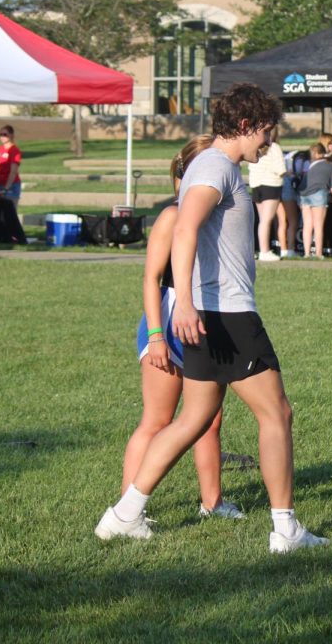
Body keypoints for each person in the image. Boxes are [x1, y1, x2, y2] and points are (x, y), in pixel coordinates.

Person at [95, 83, 328, 553]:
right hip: (227, 314)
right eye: (265, 132)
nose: (268, 142)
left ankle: (124, 514)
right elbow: (184, 225)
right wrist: (182, 301)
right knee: (277, 412)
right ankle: (285, 530)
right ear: (245, 126)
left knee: (195, 419)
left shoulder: (217, 166)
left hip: (213, 313)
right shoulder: (216, 167)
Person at [124, 135, 243, 521]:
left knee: (208, 419)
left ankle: (213, 503)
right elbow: (150, 279)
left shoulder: (214, 214)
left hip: (206, 320)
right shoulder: (173, 216)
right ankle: (128, 509)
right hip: (168, 321)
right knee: (158, 420)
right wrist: (157, 336)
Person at [248, 139, 286, 262]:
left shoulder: (255, 145)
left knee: (262, 220)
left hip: (256, 184)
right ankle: (265, 251)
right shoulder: (274, 147)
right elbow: (280, 169)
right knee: (266, 220)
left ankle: (262, 249)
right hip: (271, 184)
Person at [300, 142, 332, 258]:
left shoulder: (309, 166)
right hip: (319, 194)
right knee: (318, 225)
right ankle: (318, 253)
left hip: (304, 195)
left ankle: (306, 253)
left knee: (307, 225)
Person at [0, 125, 22, 207]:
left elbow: (13, 171)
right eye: (0, 134)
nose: (2, 137)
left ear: (11, 135)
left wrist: (6, 188)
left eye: (5, 134)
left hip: (10, 185)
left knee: (10, 214)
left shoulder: (14, 150)